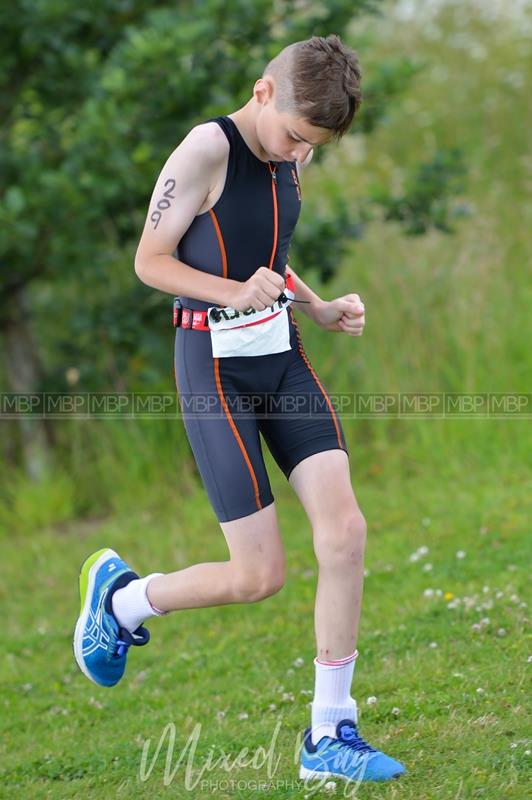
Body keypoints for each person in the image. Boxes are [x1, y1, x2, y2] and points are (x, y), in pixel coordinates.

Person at [73, 34, 406, 784]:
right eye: (291, 136)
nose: (296, 155)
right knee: (258, 576)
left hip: (281, 357)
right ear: (263, 92)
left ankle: (330, 734)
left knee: (345, 532)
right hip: (212, 370)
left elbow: (267, 250)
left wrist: (316, 308)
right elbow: (150, 260)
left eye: (310, 147)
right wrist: (231, 294)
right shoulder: (204, 149)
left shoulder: (295, 149)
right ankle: (125, 601)